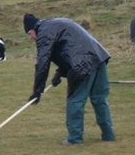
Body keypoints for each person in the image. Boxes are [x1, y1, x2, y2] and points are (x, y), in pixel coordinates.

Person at [25, 13, 115, 145]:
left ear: (33, 30)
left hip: (83, 65)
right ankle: (109, 135)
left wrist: (38, 90)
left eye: (29, 34)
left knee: (76, 101)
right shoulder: (57, 23)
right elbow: (69, 50)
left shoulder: (44, 33)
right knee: (99, 99)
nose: (31, 38)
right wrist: (59, 73)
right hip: (99, 57)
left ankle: (75, 139)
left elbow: (43, 62)